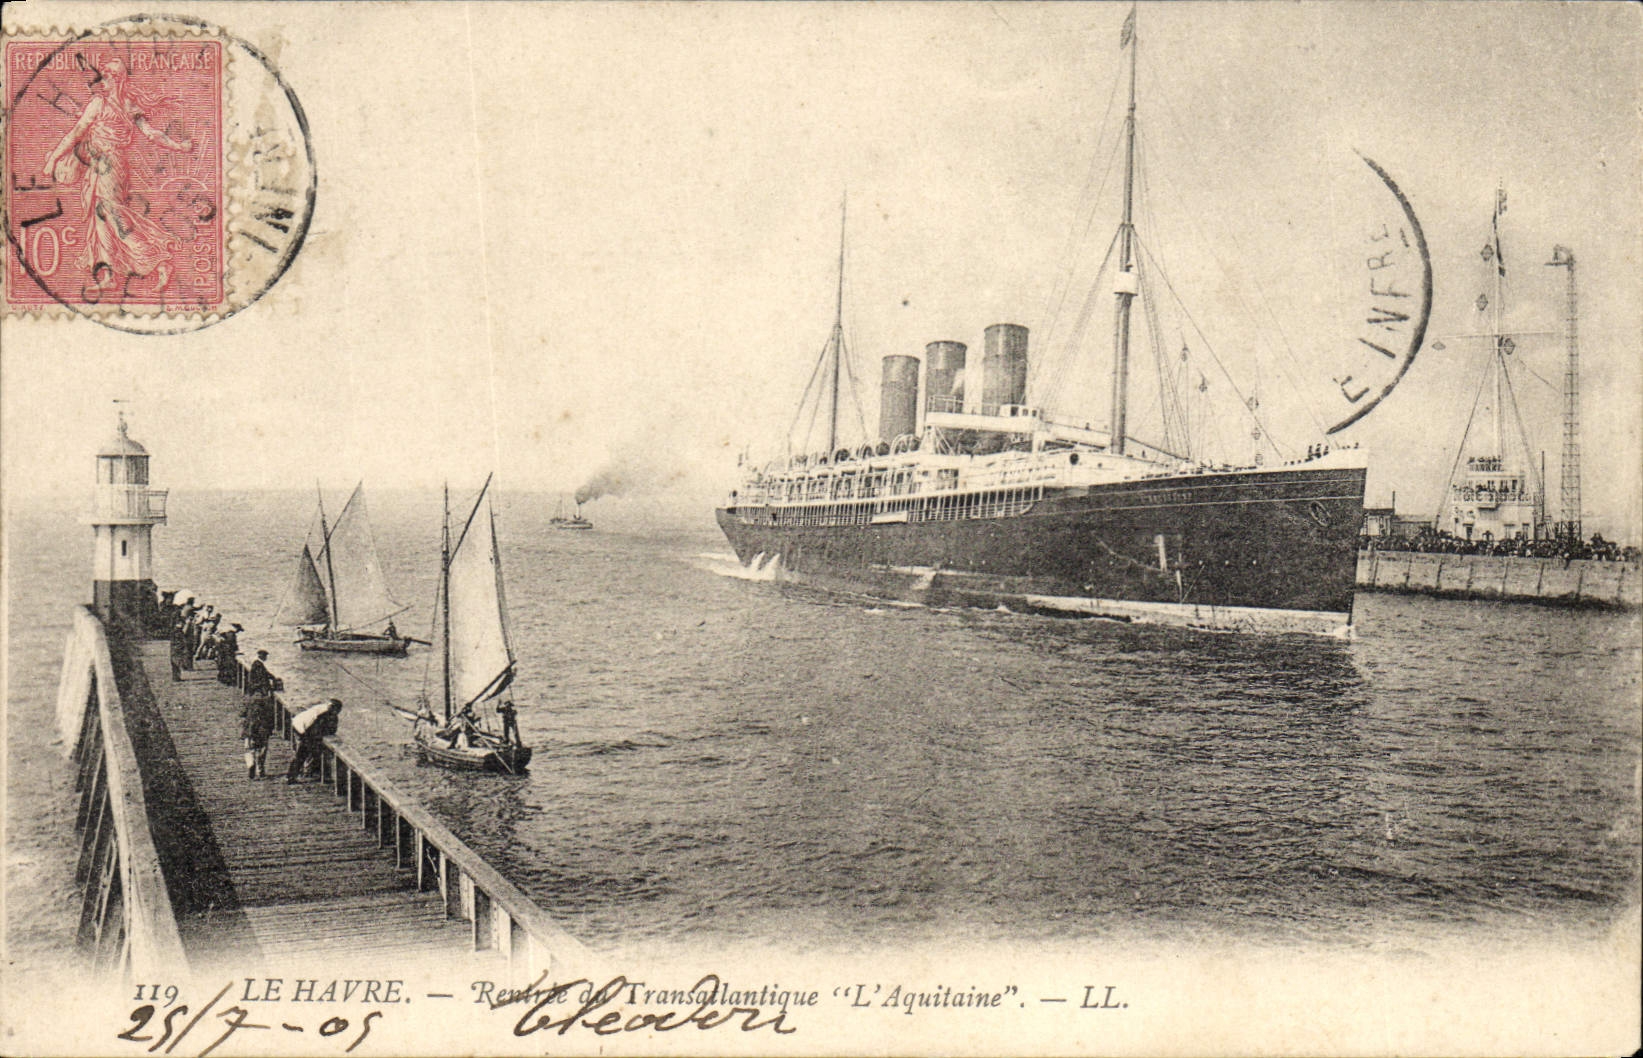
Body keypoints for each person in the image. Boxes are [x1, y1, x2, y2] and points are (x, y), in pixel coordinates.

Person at [39, 57, 194, 294]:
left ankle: (159, 261)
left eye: (108, 74)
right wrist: (178, 146)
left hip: (110, 166)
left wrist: (179, 146)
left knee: (112, 215)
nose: (104, 78)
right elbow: (78, 134)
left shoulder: (105, 104)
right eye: (104, 74)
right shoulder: (117, 104)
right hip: (103, 165)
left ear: (117, 78)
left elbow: (77, 134)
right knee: (101, 217)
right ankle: (109, 273)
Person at [286, 699, 342, 784]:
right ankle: (292, 776)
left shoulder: (326, 710)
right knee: (302, 753)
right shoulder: (323, 714)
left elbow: (331, 728)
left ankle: (308, 772)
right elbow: (315, 729)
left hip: (302, 725)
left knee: (309, 752)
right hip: (302, 729)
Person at [241, 691, 277, 780]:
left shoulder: (248, 701)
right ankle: (260, 771)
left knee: (249, 749)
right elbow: (272, 718)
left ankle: (251, 764)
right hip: (262, 729)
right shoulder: (268, 702)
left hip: (250, 729)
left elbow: (242, 714)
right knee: (262, 750)